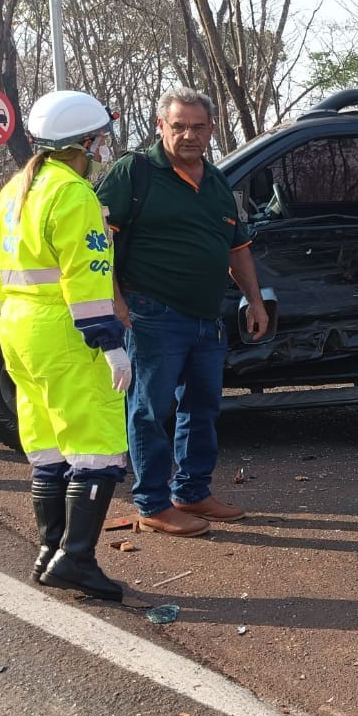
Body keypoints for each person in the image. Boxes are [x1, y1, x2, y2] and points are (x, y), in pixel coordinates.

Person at [98, 87, 266, 537]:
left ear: (211, 129)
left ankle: (191, 492)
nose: (188, 134)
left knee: (202, 407)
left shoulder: (215, 182)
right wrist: (113, 299)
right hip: (152, 313)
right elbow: (99, 240)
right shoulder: (134, 172)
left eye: (197, 126)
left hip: (207, 317)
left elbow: (237, 247)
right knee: (150, 411)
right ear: (161, 126)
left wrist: (254, 299)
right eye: (179, 126)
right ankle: (152, 503)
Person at [0, 90, 131, 602]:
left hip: (19, 328)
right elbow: (87, 275)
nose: (103, 149)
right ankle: (77, 558)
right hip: (64, 329)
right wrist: (110, 343)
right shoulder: (73, 193)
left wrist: (11, 320)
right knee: (96, 444)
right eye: (100, 141)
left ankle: (51, 552)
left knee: (47, 445)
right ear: (84, 142)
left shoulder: (15, 190)